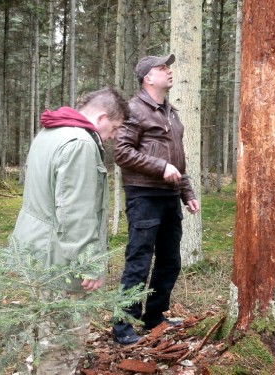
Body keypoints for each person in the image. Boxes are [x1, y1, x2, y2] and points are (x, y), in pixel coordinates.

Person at [12, 87, 129, 374]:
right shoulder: (80, 144)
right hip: (60, 260)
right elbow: (76, 212)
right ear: (102, 117)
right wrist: (88, 263)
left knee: (46, 331)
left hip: (35, 250)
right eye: (114, 128)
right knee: (63, 343)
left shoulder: (50, 132)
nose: (114, 137)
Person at [112, 54, 200, 345]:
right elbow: (122, 153)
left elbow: (178, 160)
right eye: (163, 68)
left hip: (170, 197)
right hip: (144, 195)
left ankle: (154, 317)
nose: (169, 71)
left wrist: (187, 193)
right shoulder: (133, 109)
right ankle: (123, 326)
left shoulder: (171, 113)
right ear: (148, 78)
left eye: (168, 67)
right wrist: (160, 167)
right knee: (138, 261)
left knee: (170, 261)